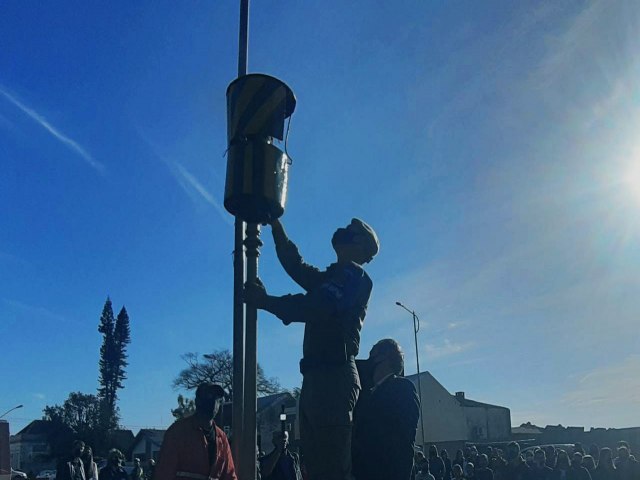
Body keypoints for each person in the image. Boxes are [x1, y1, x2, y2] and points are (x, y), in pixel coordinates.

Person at [244, 217, 379, 480]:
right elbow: (297, 266)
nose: (342, 233)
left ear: (361, 246)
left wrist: (266, 302)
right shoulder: (334, 275)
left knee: (330, 469)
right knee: (317, 468)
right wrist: (277, 226)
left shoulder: (354, 276)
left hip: (333, 376)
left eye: (351, 233)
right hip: (319, 377)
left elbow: (318, 306)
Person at [351, 339, 419, 480]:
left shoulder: (402, 388)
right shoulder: (370, 394)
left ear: (384, 359)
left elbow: (401, 442)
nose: (368, 362)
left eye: (372, 357)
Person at [154, 383, 237, 480]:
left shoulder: (221, 437)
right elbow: (163, 473)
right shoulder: (178, 432)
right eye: (209, 398)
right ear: (197, 402)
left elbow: (229, 475)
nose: (214, 403)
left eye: (217, 399)